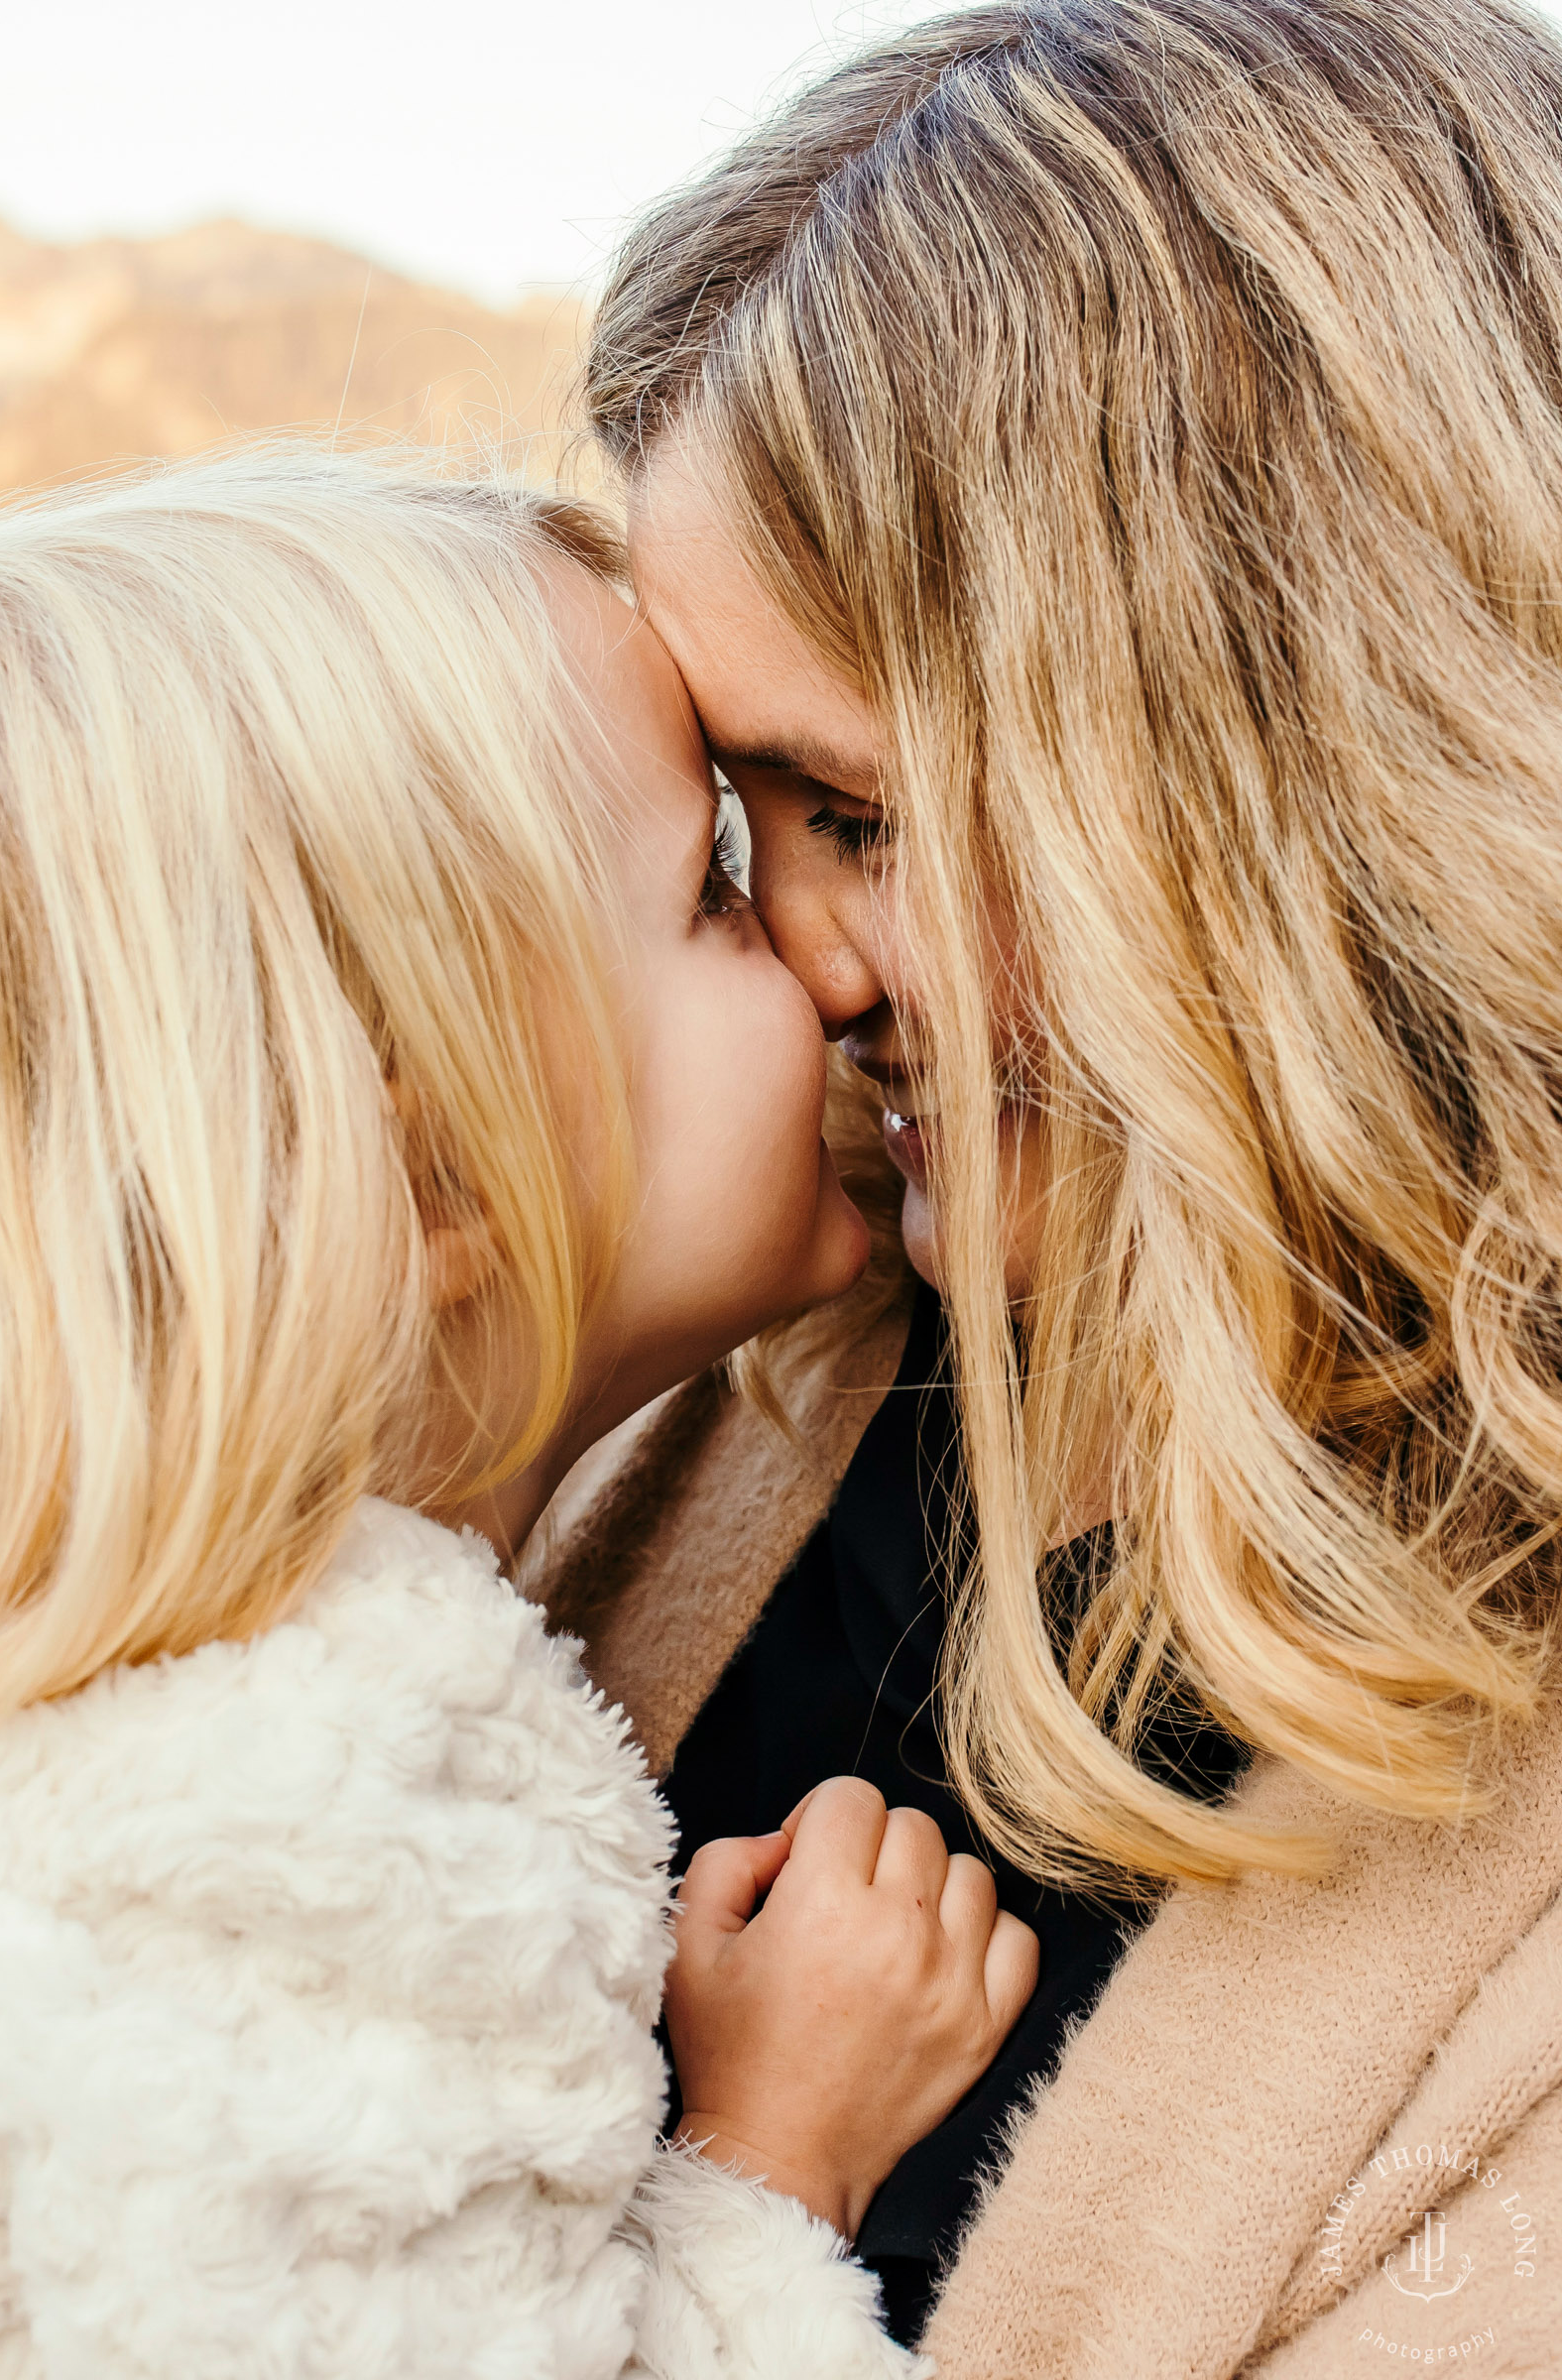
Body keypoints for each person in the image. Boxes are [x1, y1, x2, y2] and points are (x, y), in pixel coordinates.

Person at [533, 0, 1562, 2368]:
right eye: (731, 822)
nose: (798, 953)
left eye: (866, 819)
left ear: (1316, 765)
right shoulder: (682, 1395)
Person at [0, 446, 1040, 2376]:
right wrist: (768, 2158)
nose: (815, 955)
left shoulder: (148, 1701)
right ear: (449, 1168)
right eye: (708, 894)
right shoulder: (311, 1841)